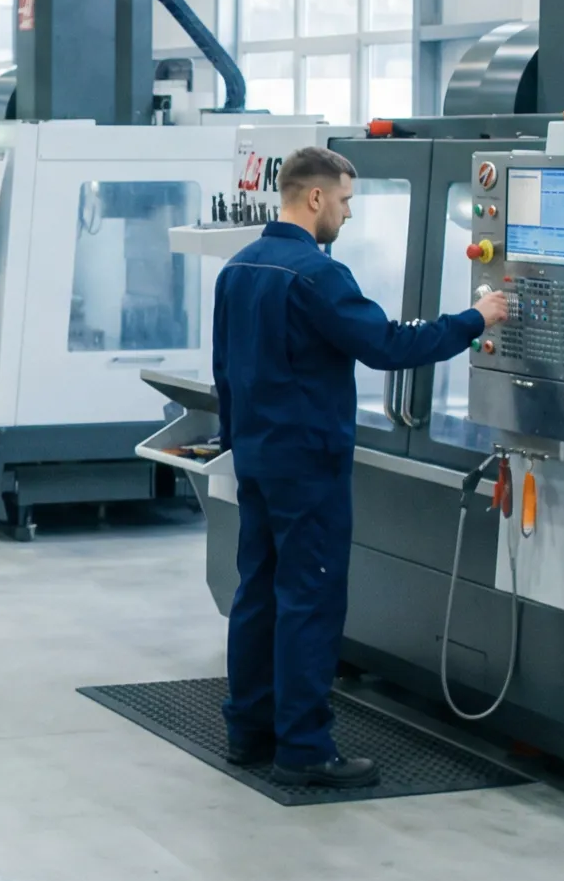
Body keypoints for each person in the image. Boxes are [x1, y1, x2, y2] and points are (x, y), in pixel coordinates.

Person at [212, 146, 509, 789]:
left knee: (257, 592)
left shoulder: (238, 268)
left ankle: (249, 731)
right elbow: (387, 346)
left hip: (257, 459)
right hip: (309, 466)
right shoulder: (319, 276)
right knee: (310, 601)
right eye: (345, 201)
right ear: (314, 198)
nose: (346, 215)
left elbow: (224, 373)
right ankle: (304, 749)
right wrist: (475, 318)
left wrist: (237, 442)